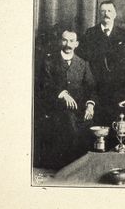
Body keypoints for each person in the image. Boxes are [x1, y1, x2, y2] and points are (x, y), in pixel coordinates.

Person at [41, 30, 97, 169]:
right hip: (56, 108)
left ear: (76, 44)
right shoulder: (49, 61)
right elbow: (44, 85)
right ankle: (68, 167)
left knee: (90, 124)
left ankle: (83, 167)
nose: (68, 44)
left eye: (72, 41)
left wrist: (90, 105)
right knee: (69, 123)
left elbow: (91, 88)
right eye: (65, 40)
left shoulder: (83, 64)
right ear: (61, 41)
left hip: (79, 109)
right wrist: (62, 94)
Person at [77, 1, 125, 125]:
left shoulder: (124, 34)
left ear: (115, 14)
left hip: (117, 86)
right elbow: (84, 59)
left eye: (110, 11)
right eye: (103, 11)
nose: (106, 14)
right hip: (96, 84)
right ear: (99, 14)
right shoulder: (90, 33)